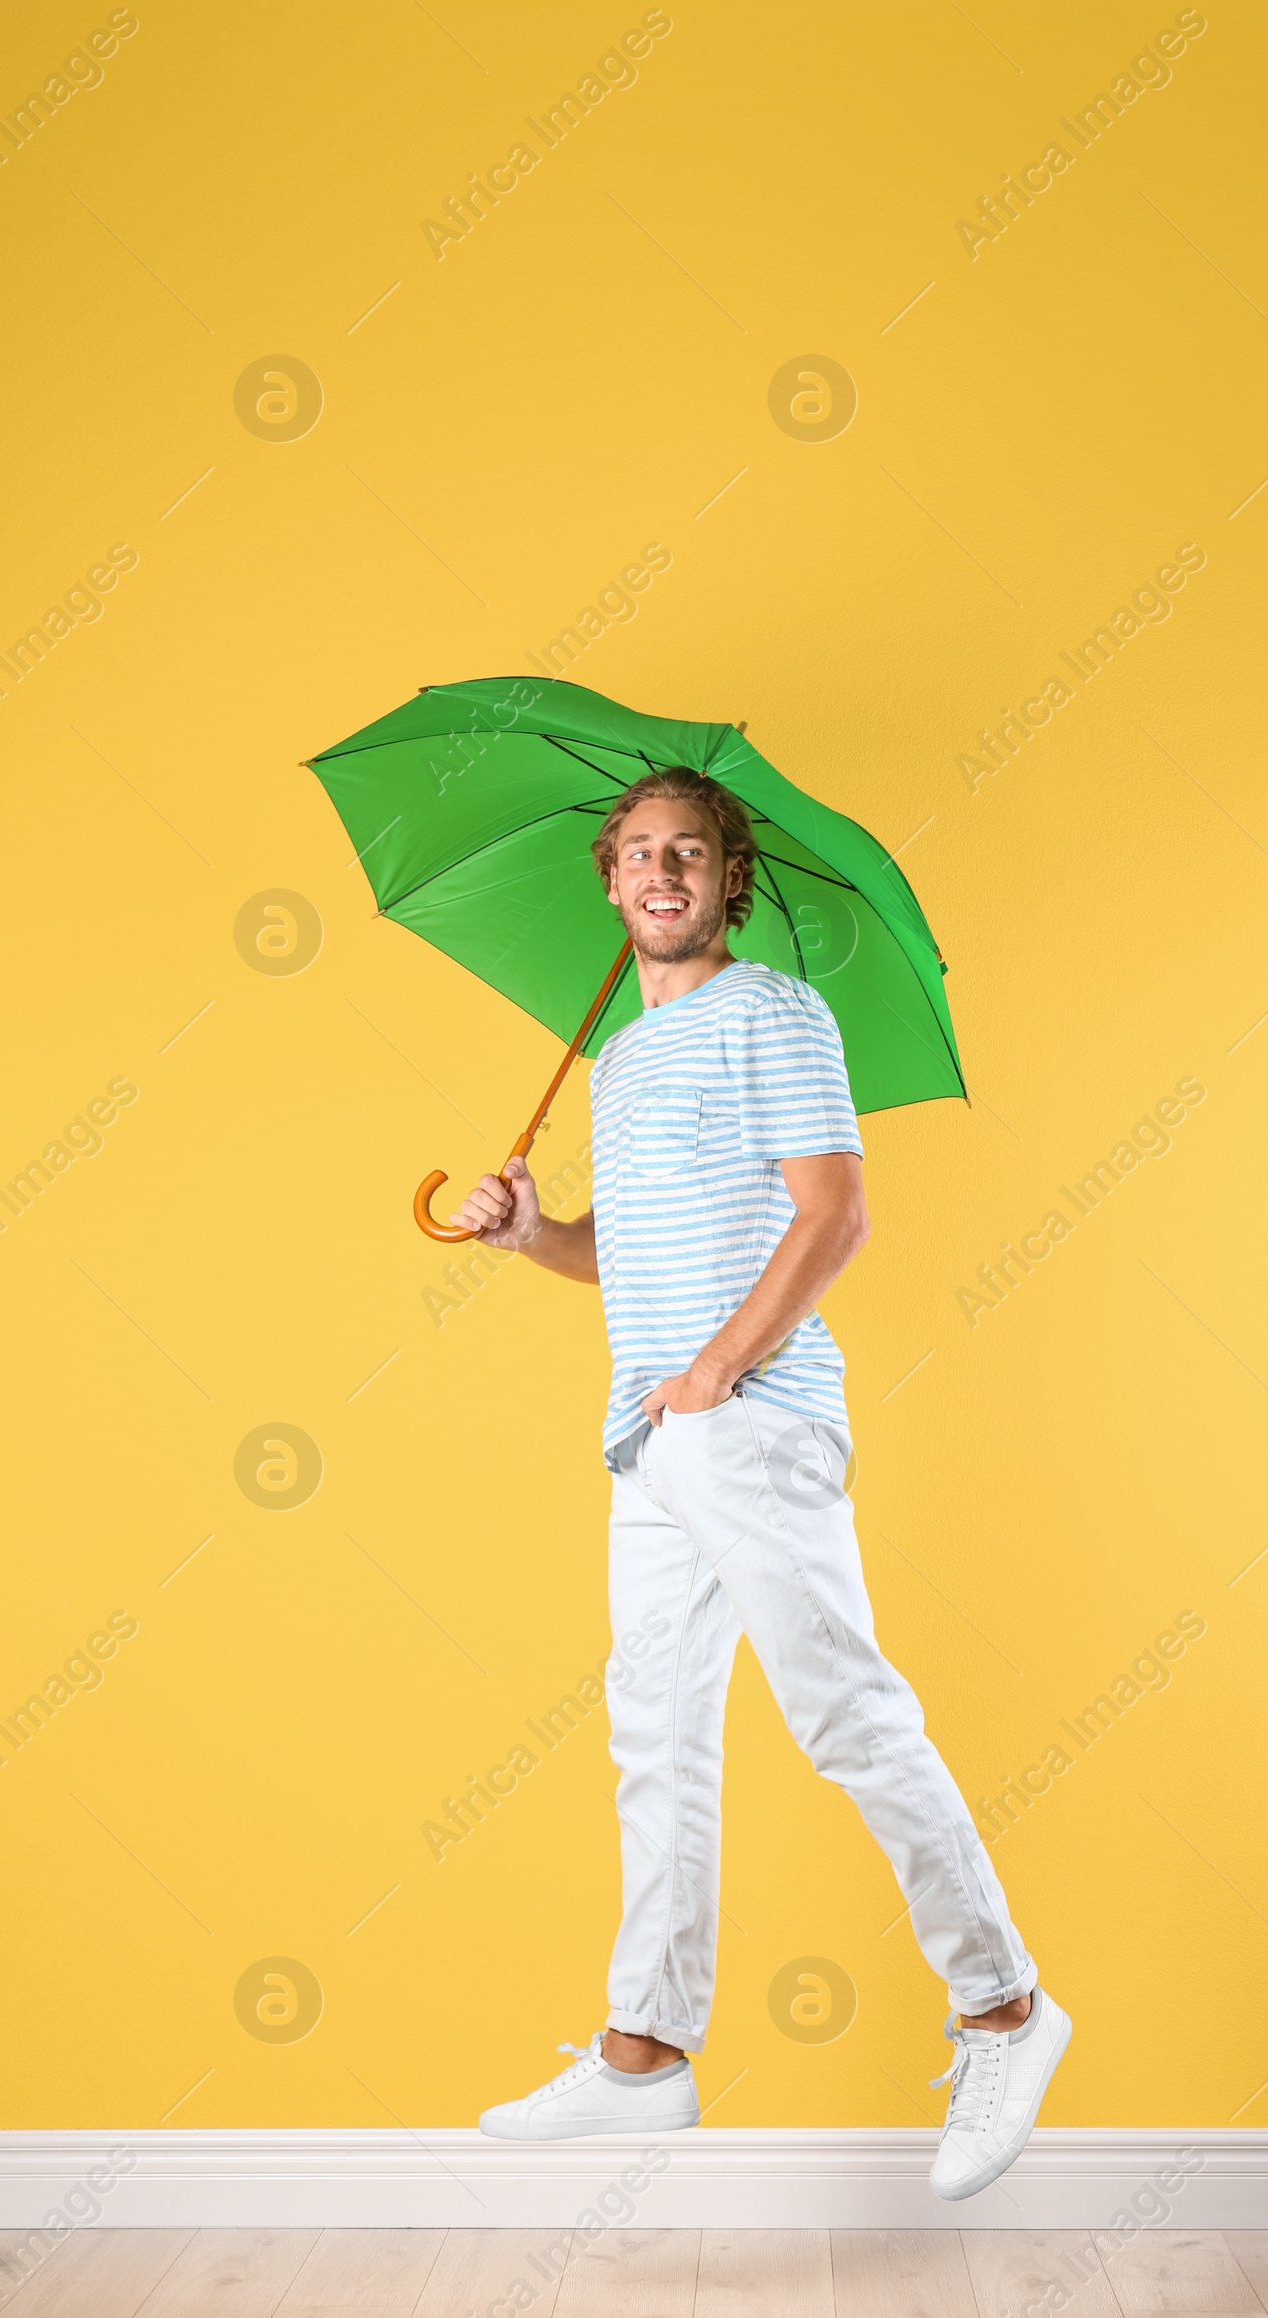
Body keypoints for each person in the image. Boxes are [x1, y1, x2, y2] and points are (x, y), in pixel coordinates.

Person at [452, 766, 1069, 2200]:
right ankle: (643, 2057)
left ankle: (1006, 2009)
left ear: (729, 884)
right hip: (649, 1434)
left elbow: (834, 1211)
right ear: (608, 882)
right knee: (654, 1739)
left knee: (844, 1711)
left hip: (750, 1417)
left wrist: (722, 1369)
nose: (664, 872)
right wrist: (532, 1235)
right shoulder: (618, 1058)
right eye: (640, 854)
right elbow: (632, 1254)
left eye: (693, 853)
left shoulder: (777, 1014)